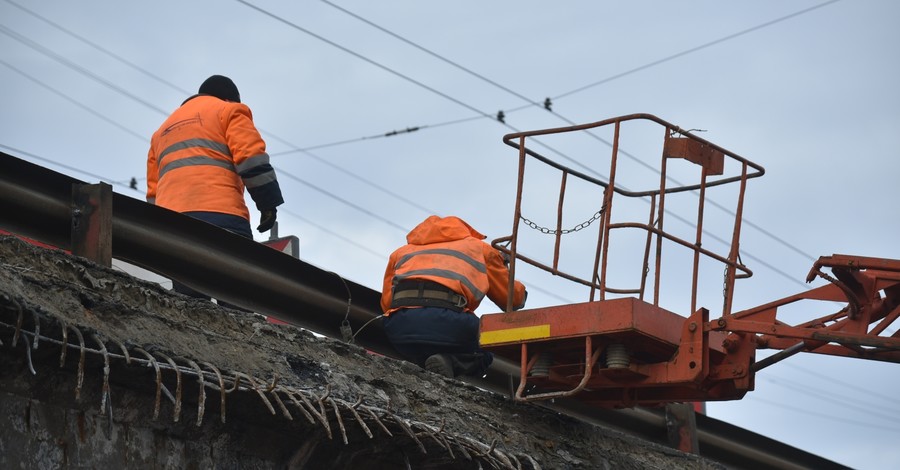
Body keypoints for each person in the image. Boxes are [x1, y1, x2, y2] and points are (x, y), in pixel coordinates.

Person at [146, 75, 284, 304]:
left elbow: (153, 192)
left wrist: (160, 227)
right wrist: (268, 204)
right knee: (237, 301)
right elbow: (251, 159)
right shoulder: (229, 111)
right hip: (221, 217)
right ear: (230, 99)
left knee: (190, 305)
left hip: (172, 225)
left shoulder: (161, 132)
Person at [381, 215, 527, 378]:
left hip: (399, 328)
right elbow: (513, 299)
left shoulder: (400, 253)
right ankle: (450, 363)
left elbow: (387, 303)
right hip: (450, 325)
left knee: (423, 351)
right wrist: (501, 265)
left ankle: (430, 368)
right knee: (485, 347)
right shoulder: (479, 248)